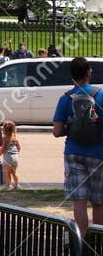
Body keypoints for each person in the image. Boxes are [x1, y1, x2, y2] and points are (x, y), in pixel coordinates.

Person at [51, 57, 103, 231]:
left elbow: (57, 131)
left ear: (72, 75)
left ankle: (81, 243)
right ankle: (98, 242)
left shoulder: (66, 98)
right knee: (99, 201)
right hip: (98, 153)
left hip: (73, 152)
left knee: (79, 202)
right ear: (88, 72)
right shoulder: (100, 95)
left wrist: (72, 128)